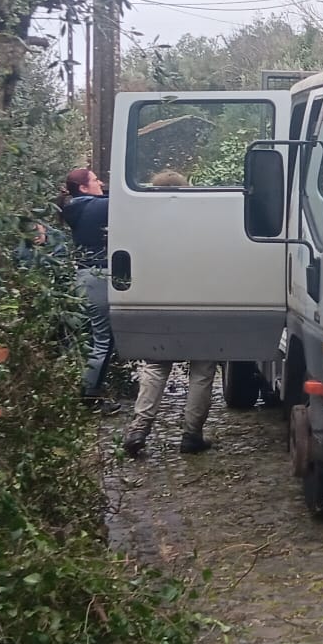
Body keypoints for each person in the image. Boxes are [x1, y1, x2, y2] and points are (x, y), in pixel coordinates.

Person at [123, 168, 216, 456]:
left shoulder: (143, 222)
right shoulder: (205, 223)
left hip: (158, 301)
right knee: (202, 369)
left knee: (155, 365)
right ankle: (191, 435)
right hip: (200, 302)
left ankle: (139, 429)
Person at [59, 167, 118, 411]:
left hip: (85, 276)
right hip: (97, 276)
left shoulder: (77, 206)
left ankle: (86, 391)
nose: (101, 182)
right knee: (104, 340)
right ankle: (90, 397)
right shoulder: (95, 207)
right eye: (95, 180)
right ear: (83, 187)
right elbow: (126, 202)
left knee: (94, 338)